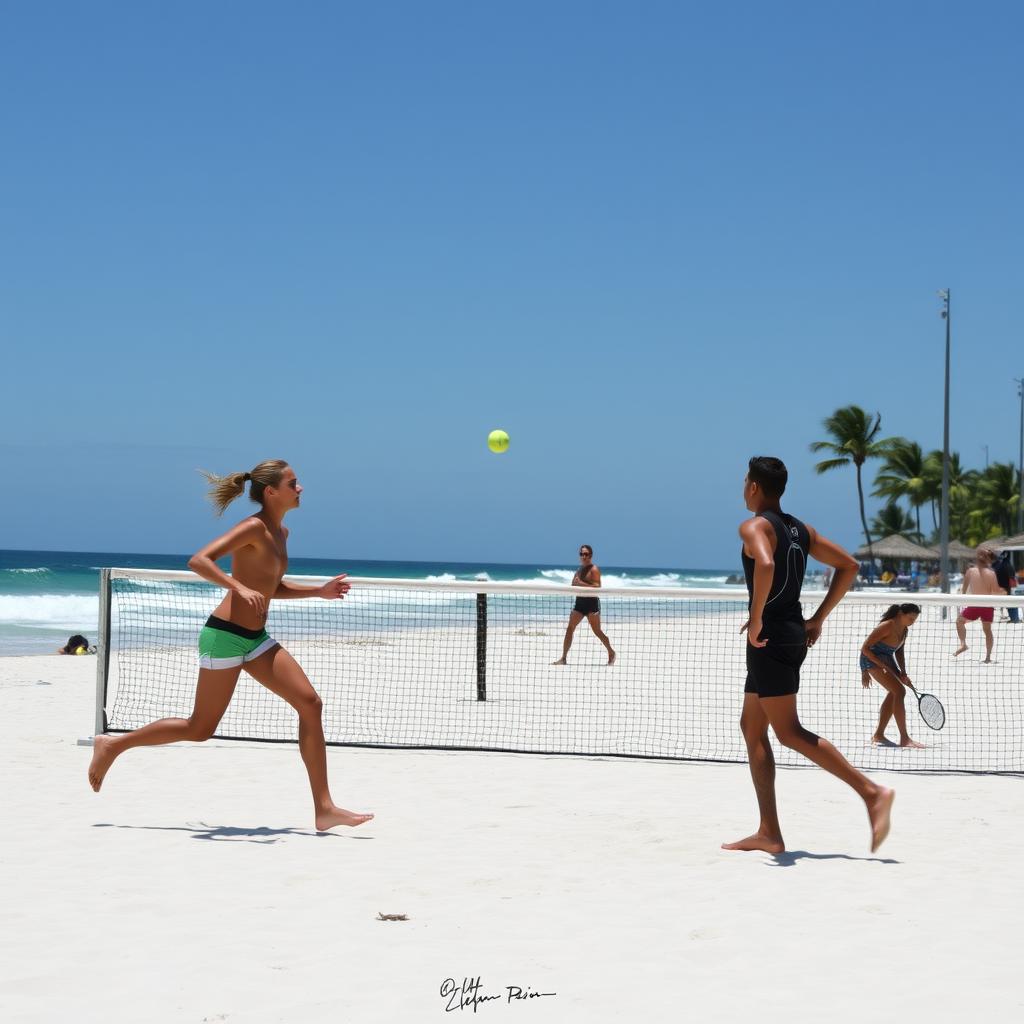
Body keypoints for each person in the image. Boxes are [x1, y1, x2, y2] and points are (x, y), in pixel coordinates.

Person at [87, 460, 374, 831]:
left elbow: (270, 588)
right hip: (223, 636)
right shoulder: (252, 527)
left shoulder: (281, 533)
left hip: (255, 639)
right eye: (294, 483)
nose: (300, 489)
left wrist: (317, 592)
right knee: (200, 728)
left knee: (310, 703)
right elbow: (198, 560)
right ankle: (113, 745)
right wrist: (236, 586)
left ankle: (324, 808)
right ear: (271, 492)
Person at [722, 456, 894, 855]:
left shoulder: (753, 526)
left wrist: (756, 618)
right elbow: (848, 566)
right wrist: (817, 618)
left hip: (770, 640)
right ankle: (769, 832)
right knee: (752, 726)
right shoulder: (801, 529)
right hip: (792, 632)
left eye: (745, 481)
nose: (743, 487)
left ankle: (871, 793)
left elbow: (765, 564)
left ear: (753, 487)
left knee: (789, 732)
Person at [859, 603, 924, 748]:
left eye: (914, 620)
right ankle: (904, 738)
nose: (912, 622)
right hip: (872, 660)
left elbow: (899, 651)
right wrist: (864, 670)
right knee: (899, 691)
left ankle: (878, 735)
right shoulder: (887, 625)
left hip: (887, 661)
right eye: (910, 618)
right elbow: (864, 648)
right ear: (901, 614)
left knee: (894, 693)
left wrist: (903, 672)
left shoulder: (904, 629)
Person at [552, 544, 616, 666]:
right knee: (570, 628)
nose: (583, 556)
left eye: (586, 554)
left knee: (597, 631)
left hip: (591, 603)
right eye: (581, 554)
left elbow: (597, 587)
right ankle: (563, 658)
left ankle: (611, 652)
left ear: (591, 555)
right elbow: (573, 585)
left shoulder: (594, 569)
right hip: (580, 603)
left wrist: (580, 583)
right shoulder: (579, 570)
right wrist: (575, 583)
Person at [954, 547, 1001, 662]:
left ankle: (988, 656)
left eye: (984, 555)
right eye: (980, 555)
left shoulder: (991, 573)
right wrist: (961, 601)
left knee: (987, 630)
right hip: (974, 604)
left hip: (987, 605)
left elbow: (995, 591)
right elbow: (963, 590)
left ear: (988, 559)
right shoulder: (971, 571)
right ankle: (963, 645)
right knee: (959, 621)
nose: (980, 557)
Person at [991, 550, 1020, 624]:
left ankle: (1013, 618)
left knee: (1009, 604)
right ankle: (1014, 618)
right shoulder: (1007, 565)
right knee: (1012, 603)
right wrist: (1013, 588)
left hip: (999, 587)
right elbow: (1011, 578)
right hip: (1007, 587)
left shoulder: (997, 565)